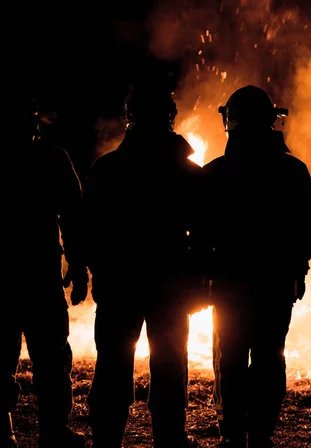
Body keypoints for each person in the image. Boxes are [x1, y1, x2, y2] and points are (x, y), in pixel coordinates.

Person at [82, 80, 205, 448]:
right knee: (169, 365)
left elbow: (90, 228)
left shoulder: (107, 169)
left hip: (119, 281)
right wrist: (197, 280)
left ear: (128, 117)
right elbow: (202, 233)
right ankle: (170, 440)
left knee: (113, 363)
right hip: (169, 282)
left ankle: (107, 439)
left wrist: (97, 269)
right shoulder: (188, 172)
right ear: (170, 117)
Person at [203, 85, 311, 448]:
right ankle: (261, 433)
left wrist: (203, 276)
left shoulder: (215, 173)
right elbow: (305, 229)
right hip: (275, 283)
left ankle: (233, 433)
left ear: (230, 121)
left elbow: (201, 232)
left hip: (229, 283)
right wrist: (298, 271)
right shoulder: (293, 171)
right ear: (272, 120)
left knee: (231, 356)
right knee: (270, 355)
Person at [2, 94, 88, 448]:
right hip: (39, 276)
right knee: (52, 359)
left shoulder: (51, 158)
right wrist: (79, 266)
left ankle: (5, 431)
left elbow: (73, 215)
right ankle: (54, 431)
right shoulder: (51, 159)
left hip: (11, 278)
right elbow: (73, 215)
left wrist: (80, 264)